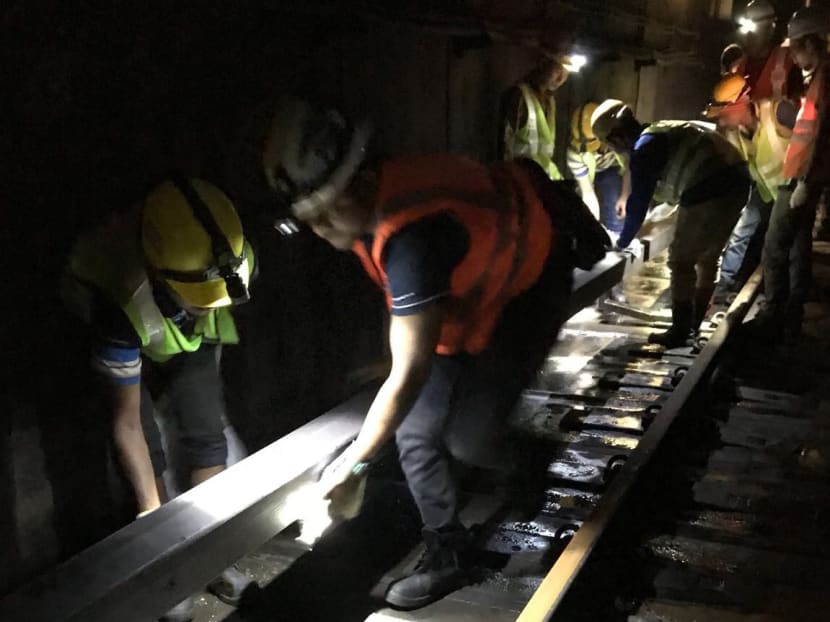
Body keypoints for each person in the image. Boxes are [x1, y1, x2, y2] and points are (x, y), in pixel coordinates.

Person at [263, 98, 596, 609]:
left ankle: (530, 460)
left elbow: (411, 371)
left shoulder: (413, 236)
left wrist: (355, 464)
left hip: (525, 289)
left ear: (360, 180)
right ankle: (448, 553)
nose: (321, 226)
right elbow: (405, 311)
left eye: (327, 209)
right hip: (471, 293)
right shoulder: (373, 210)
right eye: (309, 217)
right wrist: (397, 367)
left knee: (468, 439)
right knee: (415, 431)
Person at [62, 177, 255, 621]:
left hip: (178, 327)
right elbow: (126, 422)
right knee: (150, 448)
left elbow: (205, 416)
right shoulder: (118, 303)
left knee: (205, 426)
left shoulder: (233, 262)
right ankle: (168, 570)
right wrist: (153, 518)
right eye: (199, 304)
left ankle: (212, 557)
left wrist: (202, 310)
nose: (209, 310)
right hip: (131, 324)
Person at [591, 99, 750, 347]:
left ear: (617, 137)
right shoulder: (661, 130)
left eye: (609, 144)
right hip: (739, 180)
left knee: (681, 259)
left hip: (709, 184)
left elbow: (638, 203)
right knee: (709, 256)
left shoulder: (644, 149)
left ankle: (680, 330)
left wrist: (623, 241)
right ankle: (696, 321)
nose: (613, 150)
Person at [754, 6, 830, 342]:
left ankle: (772, 317)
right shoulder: (818, 79)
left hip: (801, 177)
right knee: (799, 245)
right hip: (804, 176)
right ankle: (791, 318)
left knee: (774, 248)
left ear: (810, 43)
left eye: (797, 50)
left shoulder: (825, 79)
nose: (795, 59)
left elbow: (820, 135)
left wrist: (804, 181)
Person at [705, 74, 795, 300]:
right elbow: (731, 170)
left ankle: (785, 296)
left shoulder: (778, 112)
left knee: (784, 244)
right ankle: (723, 286)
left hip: (793, 192)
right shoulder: (735, 133)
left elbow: (812, 144)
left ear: (740, 105)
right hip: (765, 191)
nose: (721, 122)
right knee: (740, 231)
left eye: (723, 115)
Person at [499, 53, 572, 180]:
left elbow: (545, 158)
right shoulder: (520, 96)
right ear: (543, 64)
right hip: (520, 179)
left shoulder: (550, 102)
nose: (561, 78)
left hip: (542, 180)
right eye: (557, 70)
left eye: (566, 73)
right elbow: (503, 148)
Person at [566, 101, 630, 237]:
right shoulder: (575, 154)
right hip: (590, 174)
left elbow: (629, 166)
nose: (594, 150)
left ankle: (617, 235)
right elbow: (588, 192)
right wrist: (592, 226)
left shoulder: (619, 138)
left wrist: (625, 196)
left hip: (613, 168)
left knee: (617, 211)